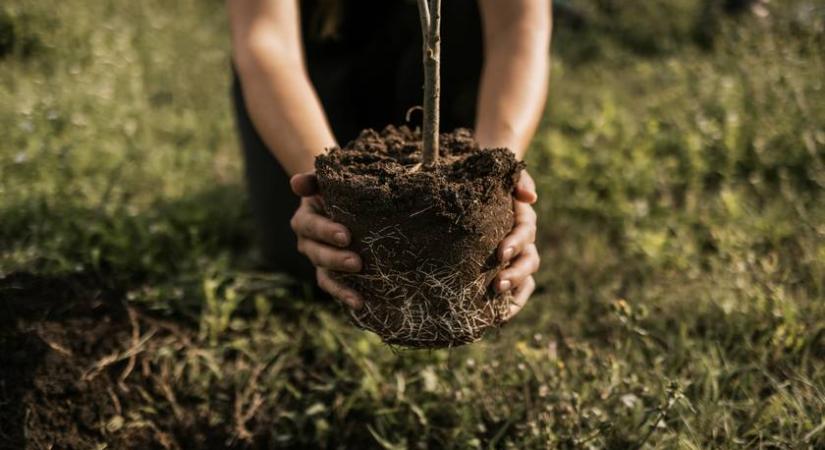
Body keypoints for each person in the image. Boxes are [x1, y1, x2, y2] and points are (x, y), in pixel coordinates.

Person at [227, 0, 550, 320]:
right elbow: (266, 39)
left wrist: (497, 172)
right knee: (302, 255)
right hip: (321, 62)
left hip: (451, 72)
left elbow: (518, 26)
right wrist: (323, 182)